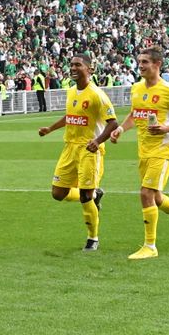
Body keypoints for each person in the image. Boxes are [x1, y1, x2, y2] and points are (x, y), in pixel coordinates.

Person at [110, 46, 169, 260]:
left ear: (157, 65)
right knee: (156, 197)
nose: (140, 66)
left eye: (145, 62)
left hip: (163, 149)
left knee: (145, 194)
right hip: (143, 149)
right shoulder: (136, 89)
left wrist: (166, 128)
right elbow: (135, 114)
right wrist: (121, 128)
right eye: (139, 61)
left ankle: (150, 246)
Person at [38, 54, 118, 251]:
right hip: (69, 147)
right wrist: (50, 128)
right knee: (58, 193)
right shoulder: (72, 91)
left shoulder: (97, 95)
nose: (73, 68)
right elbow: (70, 116)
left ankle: (93, 239)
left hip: (89, 149)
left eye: (78, 65)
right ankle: (95, 194)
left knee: (84, 196)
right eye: (71, 64)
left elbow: (113, 124)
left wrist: (97, 141)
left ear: (89, 69)